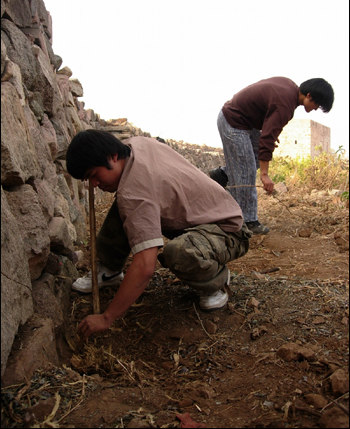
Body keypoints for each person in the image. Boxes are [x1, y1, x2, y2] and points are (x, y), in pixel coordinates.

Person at [66, 130, 252, 339]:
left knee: (180, 253)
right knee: (126, 204)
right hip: (194, 219)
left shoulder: (136, 190)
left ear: (113, 156)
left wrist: (107, 317)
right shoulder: (134, 146)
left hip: (227, 230)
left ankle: (215, 282)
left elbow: (145, 266)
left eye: (93, 175)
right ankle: (110, 268)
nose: (94, 185)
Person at [209, 77, 334, 234]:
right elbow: (267, 138)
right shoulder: (285, 104)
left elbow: (269, 128)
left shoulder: (289, 88)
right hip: (233, 121)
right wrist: (265, 174)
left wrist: (269, 138)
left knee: (250, 160)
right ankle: (248, 220)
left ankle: (223, 174)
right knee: (245, 172)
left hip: (246, 122)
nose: (316, 109)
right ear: (309, 95)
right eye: (317, 105)